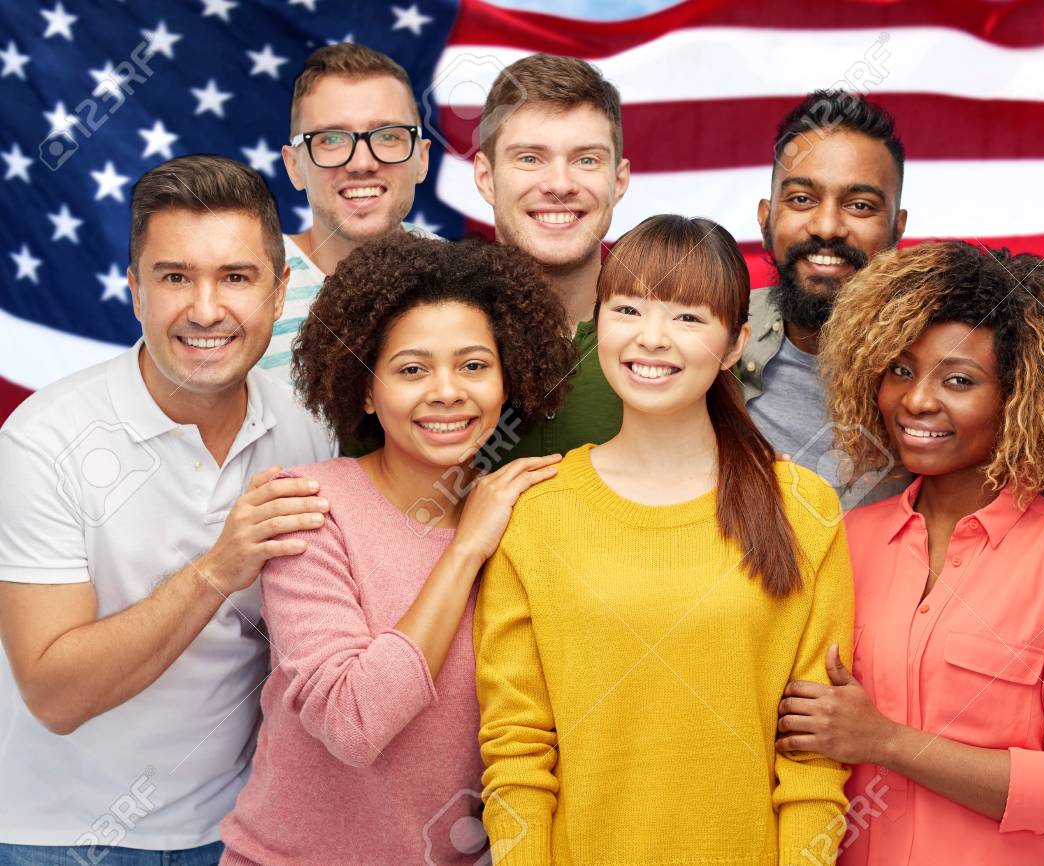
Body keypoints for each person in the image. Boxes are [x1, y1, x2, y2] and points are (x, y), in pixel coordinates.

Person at [474, 215, 853, 865]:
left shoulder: (803, 509)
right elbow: (517, 752)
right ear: (599, 322)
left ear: (734, 344)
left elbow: (814, 761)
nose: (652, 338)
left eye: (688, 318)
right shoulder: (536, 512)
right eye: (628, 308)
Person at [0, 155, 334, 865]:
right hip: (54, 836)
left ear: (278, 295)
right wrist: (220, 567)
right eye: (175, 276)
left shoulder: (312, 429)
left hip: (236, 832)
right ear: (135, 291)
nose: (206, 309)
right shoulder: (42, 440)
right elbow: (54, 694)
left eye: (235, 278)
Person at [779, 241, 1044, 866]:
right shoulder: (845, 542)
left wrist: (887, 741)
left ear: (1019, 397)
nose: (917, 400)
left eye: (958, 380)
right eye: (899, 369)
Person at [218, 233, 572, 866]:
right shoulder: (311, 510)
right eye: (412, 369)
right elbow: (355, 723)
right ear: (363, 388)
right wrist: (464, 552)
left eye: (473, 365)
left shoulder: (526, 520)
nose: (447, 391)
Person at [742, 90, 910, 502]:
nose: (827, 226)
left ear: (897, 228)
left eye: (860, 205)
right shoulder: (706, 336)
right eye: (802, 199)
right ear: (766, 217)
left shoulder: (942, 363)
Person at [472, 53, 630, 458]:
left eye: (586, 160)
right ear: (486, 179)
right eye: (529, 158)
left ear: (619, 181)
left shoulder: (681, 340)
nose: (560, 184)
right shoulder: (418, 331)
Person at [262, 42, 438, 383]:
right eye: (330, 139)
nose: (362, 163)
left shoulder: (469, 285)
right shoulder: (241, 288)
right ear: (294, 166)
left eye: (387, 136)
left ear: (422, 159)